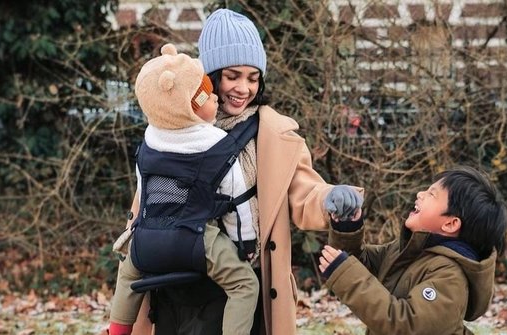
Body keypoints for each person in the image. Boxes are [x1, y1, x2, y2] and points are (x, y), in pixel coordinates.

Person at [128, 8, 364, 335]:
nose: (244, 88)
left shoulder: (272, 137)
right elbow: (146, 208)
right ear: (210, 75)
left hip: (240, 292)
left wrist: (330, 199)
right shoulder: (173, 130)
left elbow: (304, 192)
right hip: (175, 291)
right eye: (233, 76)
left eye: (253, 78)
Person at [108, 43, 260, 335]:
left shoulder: (149, 142)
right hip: (195, 240)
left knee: (127, 276)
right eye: (208, 97)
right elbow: (237, 201)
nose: (215, 98)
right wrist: (246, 244)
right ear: (191, 109)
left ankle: (116, 330)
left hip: (147, 240)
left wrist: (136, 235)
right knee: (244, 284)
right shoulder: (217, 145)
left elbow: (144, 194)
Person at [318, 166, 507, 335]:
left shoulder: (450, 276)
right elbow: (359, 264)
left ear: (451, 224)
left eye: (431, 194)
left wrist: (345, 273)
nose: (420, 194)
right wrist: (347, 227)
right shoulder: (407, 251)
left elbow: (406, 326)